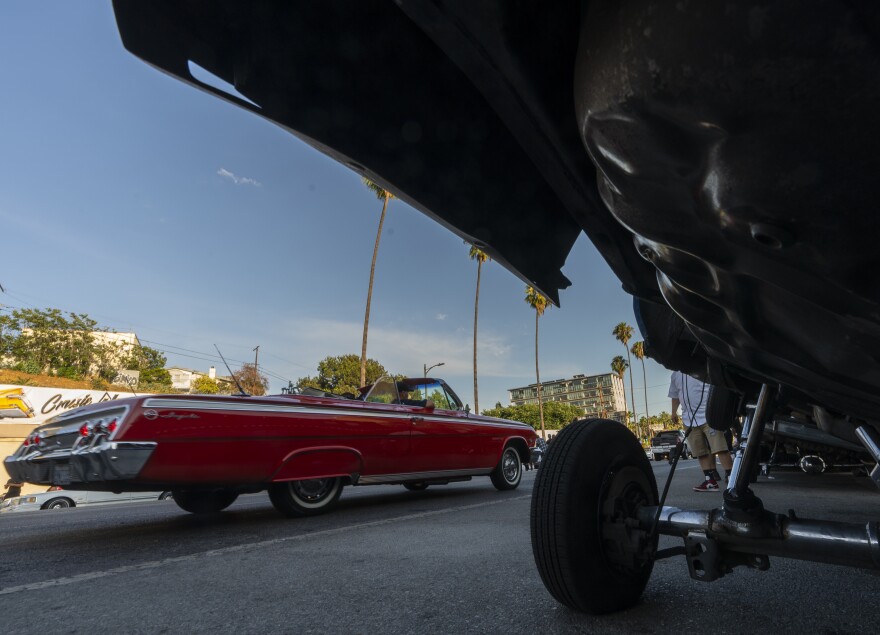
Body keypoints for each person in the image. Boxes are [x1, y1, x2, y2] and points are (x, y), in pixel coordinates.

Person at [668, 371, 733, 492]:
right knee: (700, 451)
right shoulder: (675, 375)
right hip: (689, 420)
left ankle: (732, 479)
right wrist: (673, 412)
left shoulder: (700, 367)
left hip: (709, 415)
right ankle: (710, 481)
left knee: (720, 447)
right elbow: (675, 395)